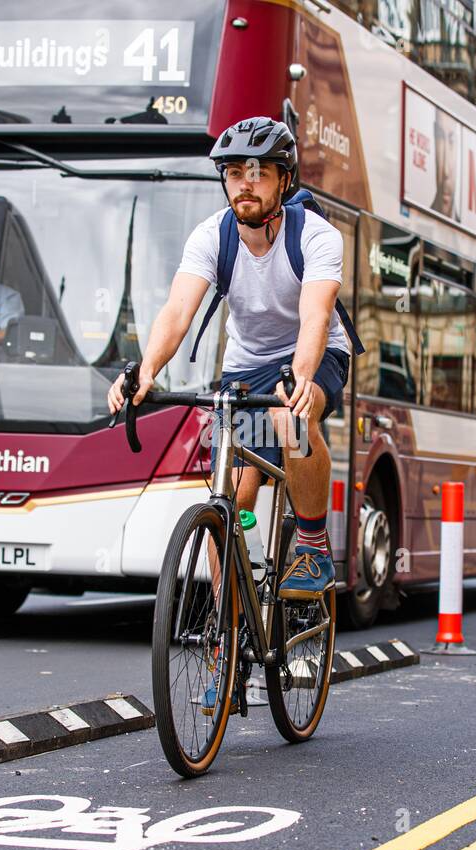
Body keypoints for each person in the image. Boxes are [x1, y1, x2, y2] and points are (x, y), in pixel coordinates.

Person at [107, 116, 353, 604]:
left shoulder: (316, 237)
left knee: (290, 419)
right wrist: (146, 370)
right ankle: (228, 644)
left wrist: (300, 379)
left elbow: (315, 317)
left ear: (285, 179)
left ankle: (311, 545)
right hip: (246, 363)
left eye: (259, 172)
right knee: (231, 500)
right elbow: (178, 310)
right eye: (235, 171)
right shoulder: (210, 236)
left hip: (314, 352)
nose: (246, 182)